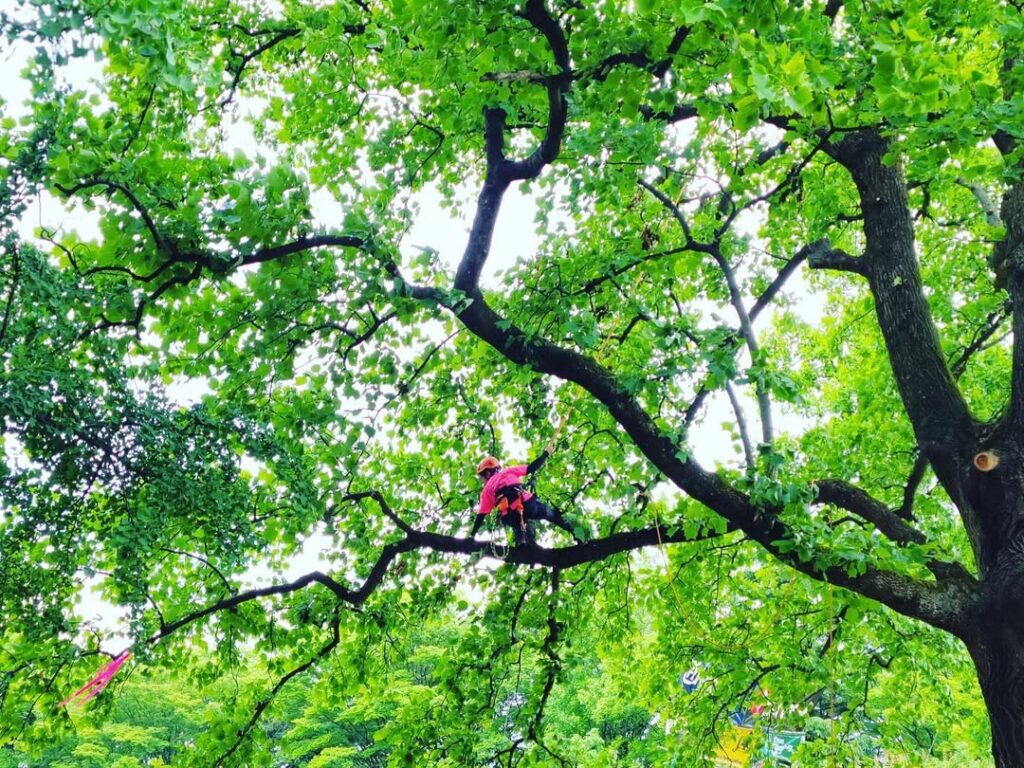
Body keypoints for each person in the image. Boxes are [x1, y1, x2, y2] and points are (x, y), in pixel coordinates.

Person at [471, 448, 578, 546]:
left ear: (488, 474)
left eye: (483, 477)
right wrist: (545, 454)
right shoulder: (507, 472)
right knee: (552, 515)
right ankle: (575, 532)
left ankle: (523, 545)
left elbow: (480, 516)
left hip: (510, 516)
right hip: (527, 505)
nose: (483, 480)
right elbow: (532, 467)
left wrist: (472, 535)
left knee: (518, 528)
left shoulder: (486, 491)